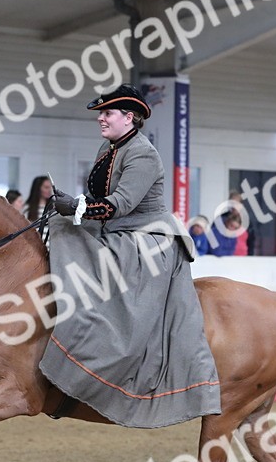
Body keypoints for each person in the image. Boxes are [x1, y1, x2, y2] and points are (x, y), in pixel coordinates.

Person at [41, 85, 221, 428]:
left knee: (71, 232)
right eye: (100, 114)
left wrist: (76, 207)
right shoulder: (107, 148)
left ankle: (113, 346)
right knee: (61, 227)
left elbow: (119, 204)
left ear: (129, 117)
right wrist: (70, 203)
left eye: (107, 113)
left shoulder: (144, 154)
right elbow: (98, 198)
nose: (101, 119)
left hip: (148, 239)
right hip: (116, 229)